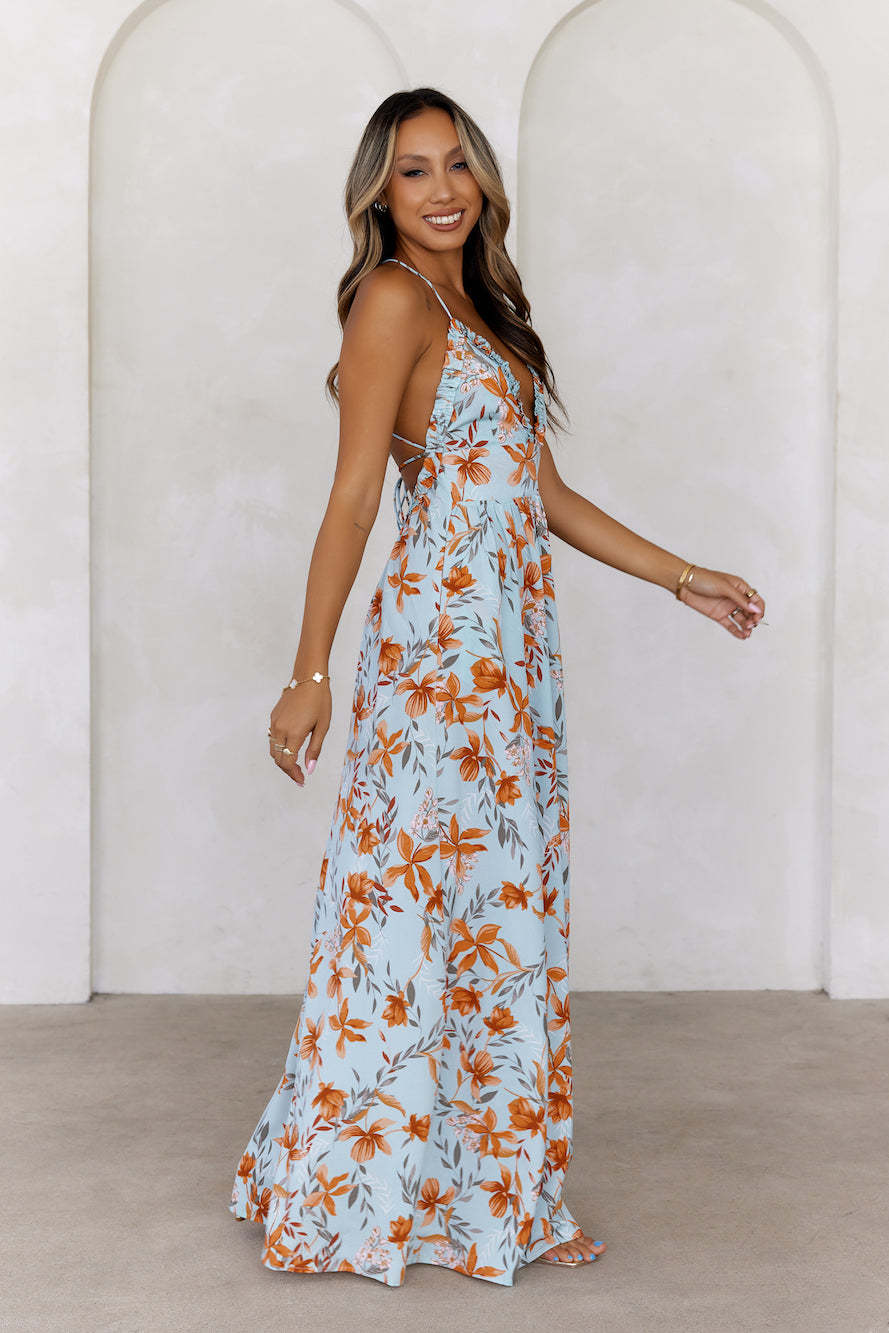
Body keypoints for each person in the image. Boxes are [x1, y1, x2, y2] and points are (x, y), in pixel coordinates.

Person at [229, 86, 765, 1287]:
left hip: (508, 657)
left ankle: (484, 1187)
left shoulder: (475, 303)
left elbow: (544, 495)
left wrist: (681, 576)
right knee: (416, 906)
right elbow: (354, 499)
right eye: (414, 170)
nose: (443, 189)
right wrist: (309, 671)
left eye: (458, 163)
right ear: (379, 193)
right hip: (439, 655)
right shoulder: (390, 299)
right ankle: (369, 1183)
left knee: (489, 912)